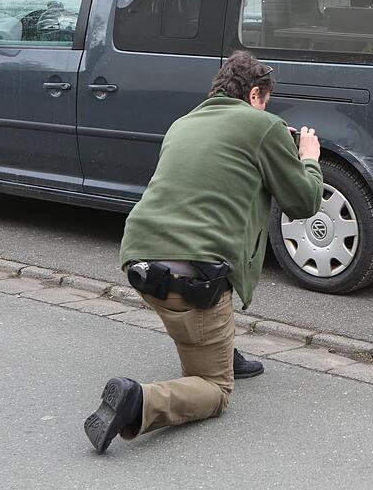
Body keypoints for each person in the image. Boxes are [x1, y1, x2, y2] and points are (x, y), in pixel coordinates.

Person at [83, 51, 324, 452]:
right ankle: (139, 401)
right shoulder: (264, 126)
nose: (267, 109)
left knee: (194, 323)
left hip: (140, 261)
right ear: (254, 95)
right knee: (214, 389)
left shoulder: (183, 123)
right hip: (193, 279)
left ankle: (221, 350)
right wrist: (309, 159)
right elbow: (303, 203)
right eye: (266, 101)